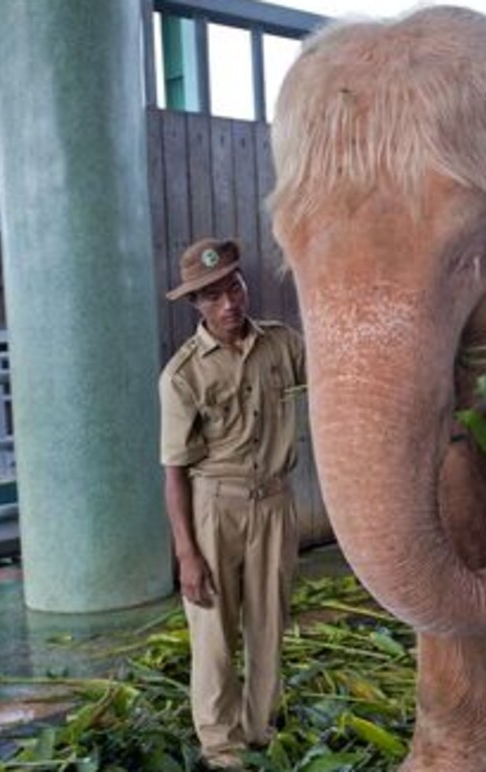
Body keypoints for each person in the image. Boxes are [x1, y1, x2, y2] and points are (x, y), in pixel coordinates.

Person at [158, 237, 305, 769]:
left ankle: (260, 730)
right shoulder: (183, 375)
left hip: (275, 504)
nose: (229, 303)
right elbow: (173, 470)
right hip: (213, 508)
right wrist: (187, 554)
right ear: (195, 305)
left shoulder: (284, 346)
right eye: (213, 296)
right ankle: (221, 749)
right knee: (215, 634)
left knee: (269, 622)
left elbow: (336, 375)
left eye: (234, 288)